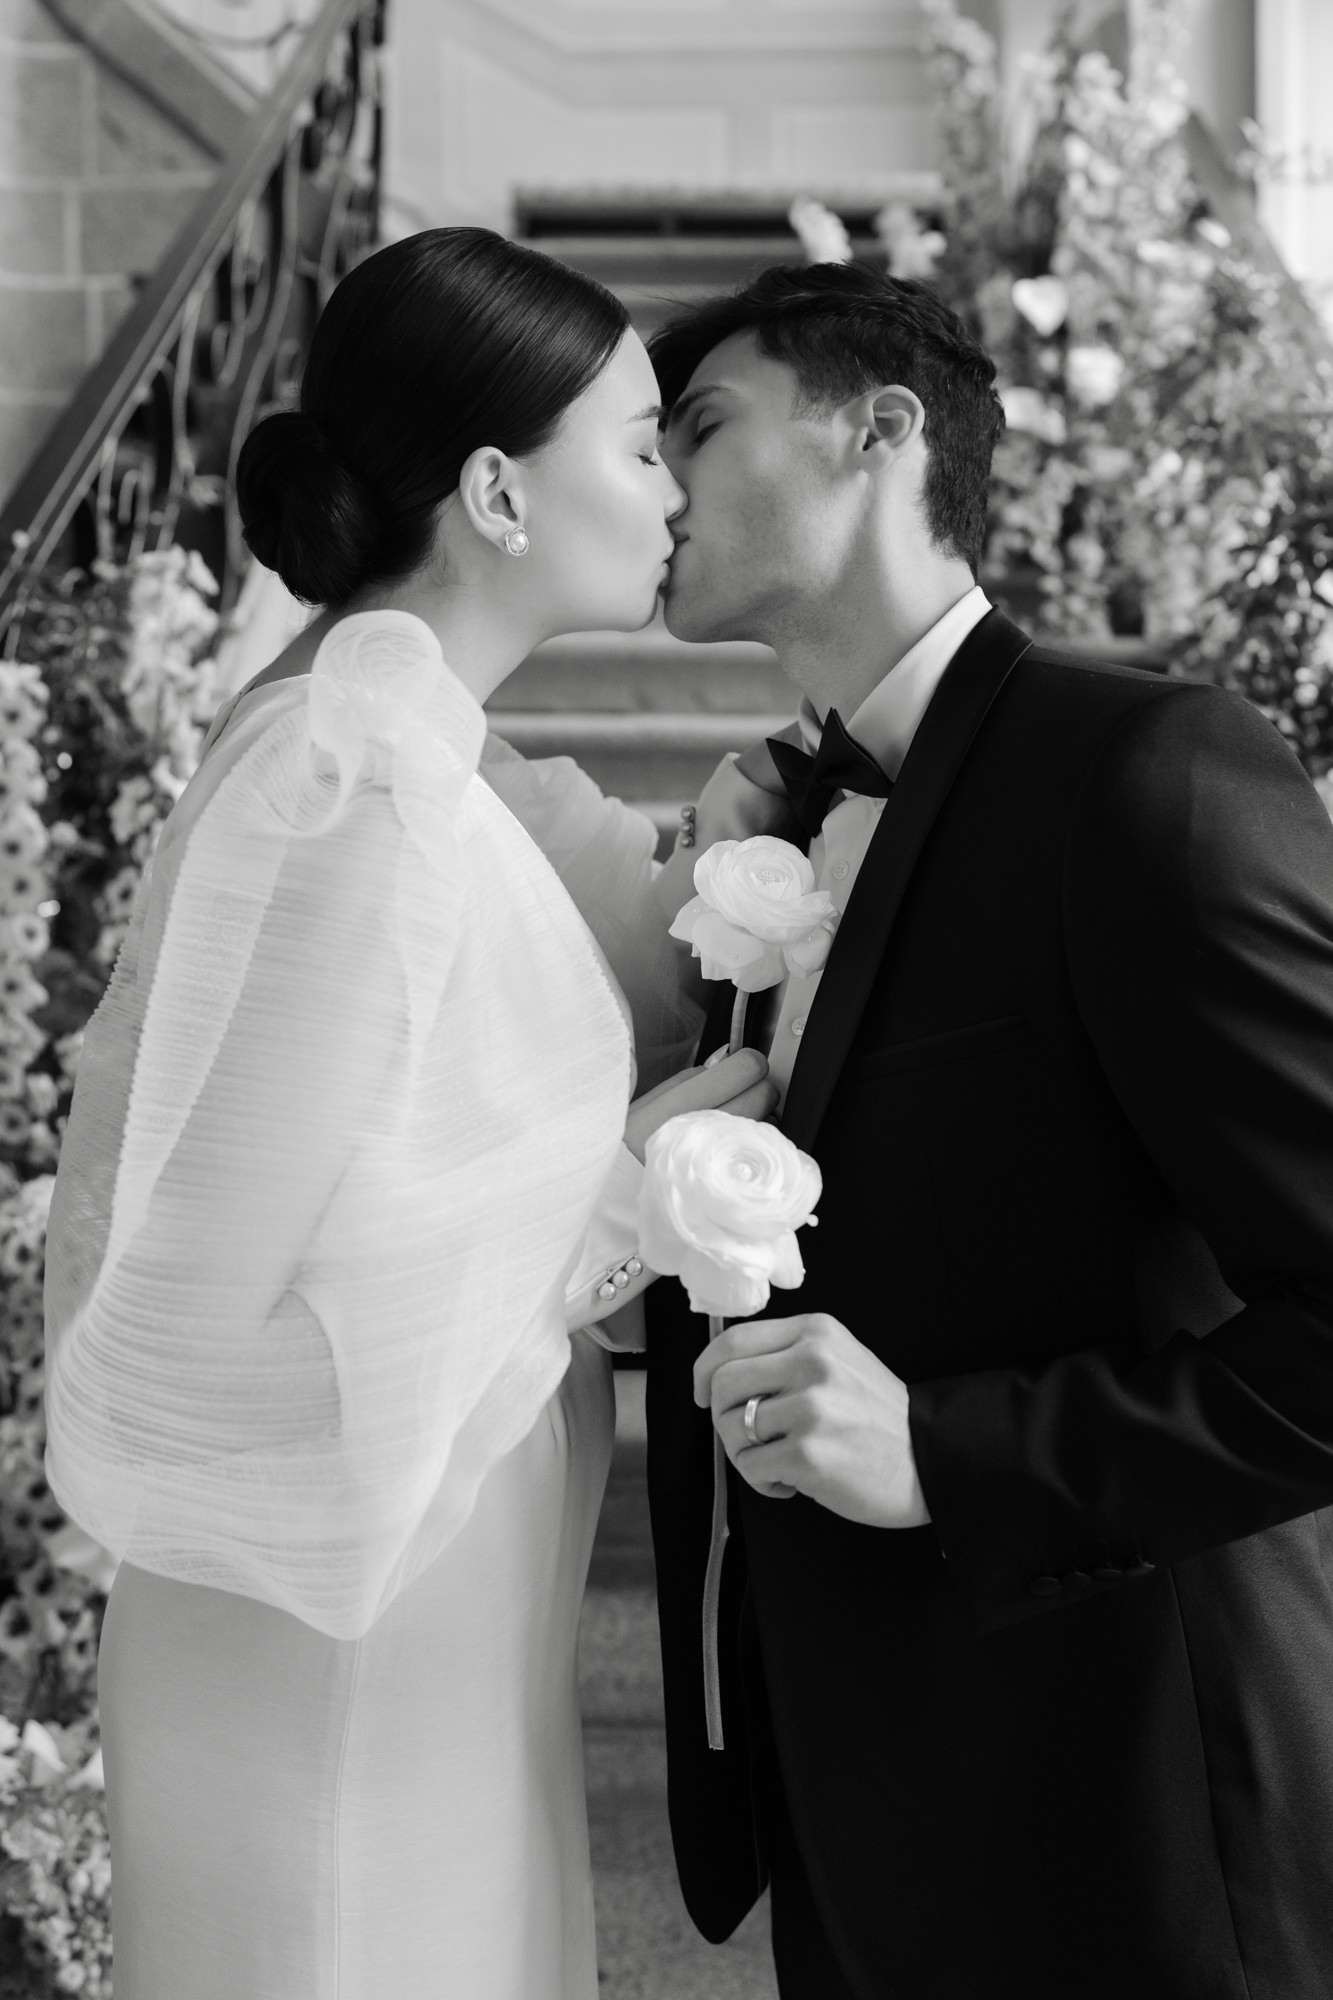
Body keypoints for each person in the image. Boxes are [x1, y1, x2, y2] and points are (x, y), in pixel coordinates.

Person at [42, 226, 774, 2000]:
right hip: (330, 1639)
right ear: (498, 494)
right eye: (631, 439)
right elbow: (183, 1318)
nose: (671, 485)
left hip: (423, 1593)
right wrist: (624, 1193)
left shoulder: (410, 754)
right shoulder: (345, 782)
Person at [642, 260, 1333, 1999]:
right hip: (857, 1803)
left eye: (700, 427)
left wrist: (954, 1454)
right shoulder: (780, 817)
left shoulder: (1149, 775)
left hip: (1124, 1821)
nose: (657, 482)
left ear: (881, 436)